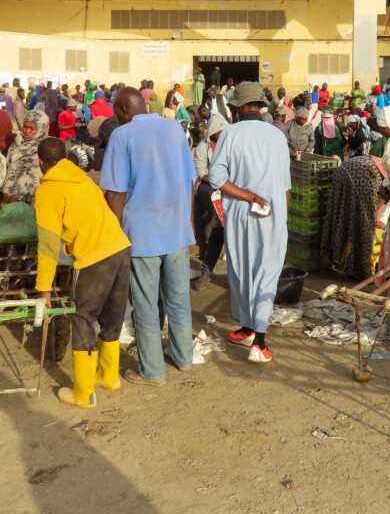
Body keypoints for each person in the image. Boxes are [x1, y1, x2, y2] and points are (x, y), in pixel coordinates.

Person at [100, 87, 196, 386]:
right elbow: (189, 179)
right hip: (176, 228)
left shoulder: (121, 136)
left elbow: (115, 194)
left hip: (143, 234)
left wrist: (111, 239)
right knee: (179, 299)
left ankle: (153, 371)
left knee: (145, 304)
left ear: (121, 111)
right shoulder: (175, 129)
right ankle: (184, 358)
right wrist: (187, 220)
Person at [31, 137, 132, 407]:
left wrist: (44, 287)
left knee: (83, 318)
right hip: (120, 247)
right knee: (114, 312)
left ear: (41, 162)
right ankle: (109, 376)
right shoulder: (82, 177)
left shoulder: (47, 191)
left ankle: (83, 393)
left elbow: (48, 245)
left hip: (93, 257)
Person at [208, 82, 290, 363]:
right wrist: (282, 217)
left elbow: (217, 177)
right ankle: (257, 339)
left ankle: (250, 330)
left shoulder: (230, 134)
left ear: (240, 107)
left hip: (240, 213)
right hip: (272, 213)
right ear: (259, 105)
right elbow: (285, 185)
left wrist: (248, 196)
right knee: (266, 271)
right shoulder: (277, 134)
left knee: (241, 269)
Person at [191, 114, 228, 291]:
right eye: (218, 132)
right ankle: (206, 271)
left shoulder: (229, 144)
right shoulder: (203, 147)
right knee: (218, 223)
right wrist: (217, 183)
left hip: (228, 187)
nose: (221, 134)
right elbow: (201, 171)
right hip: (208, 185)